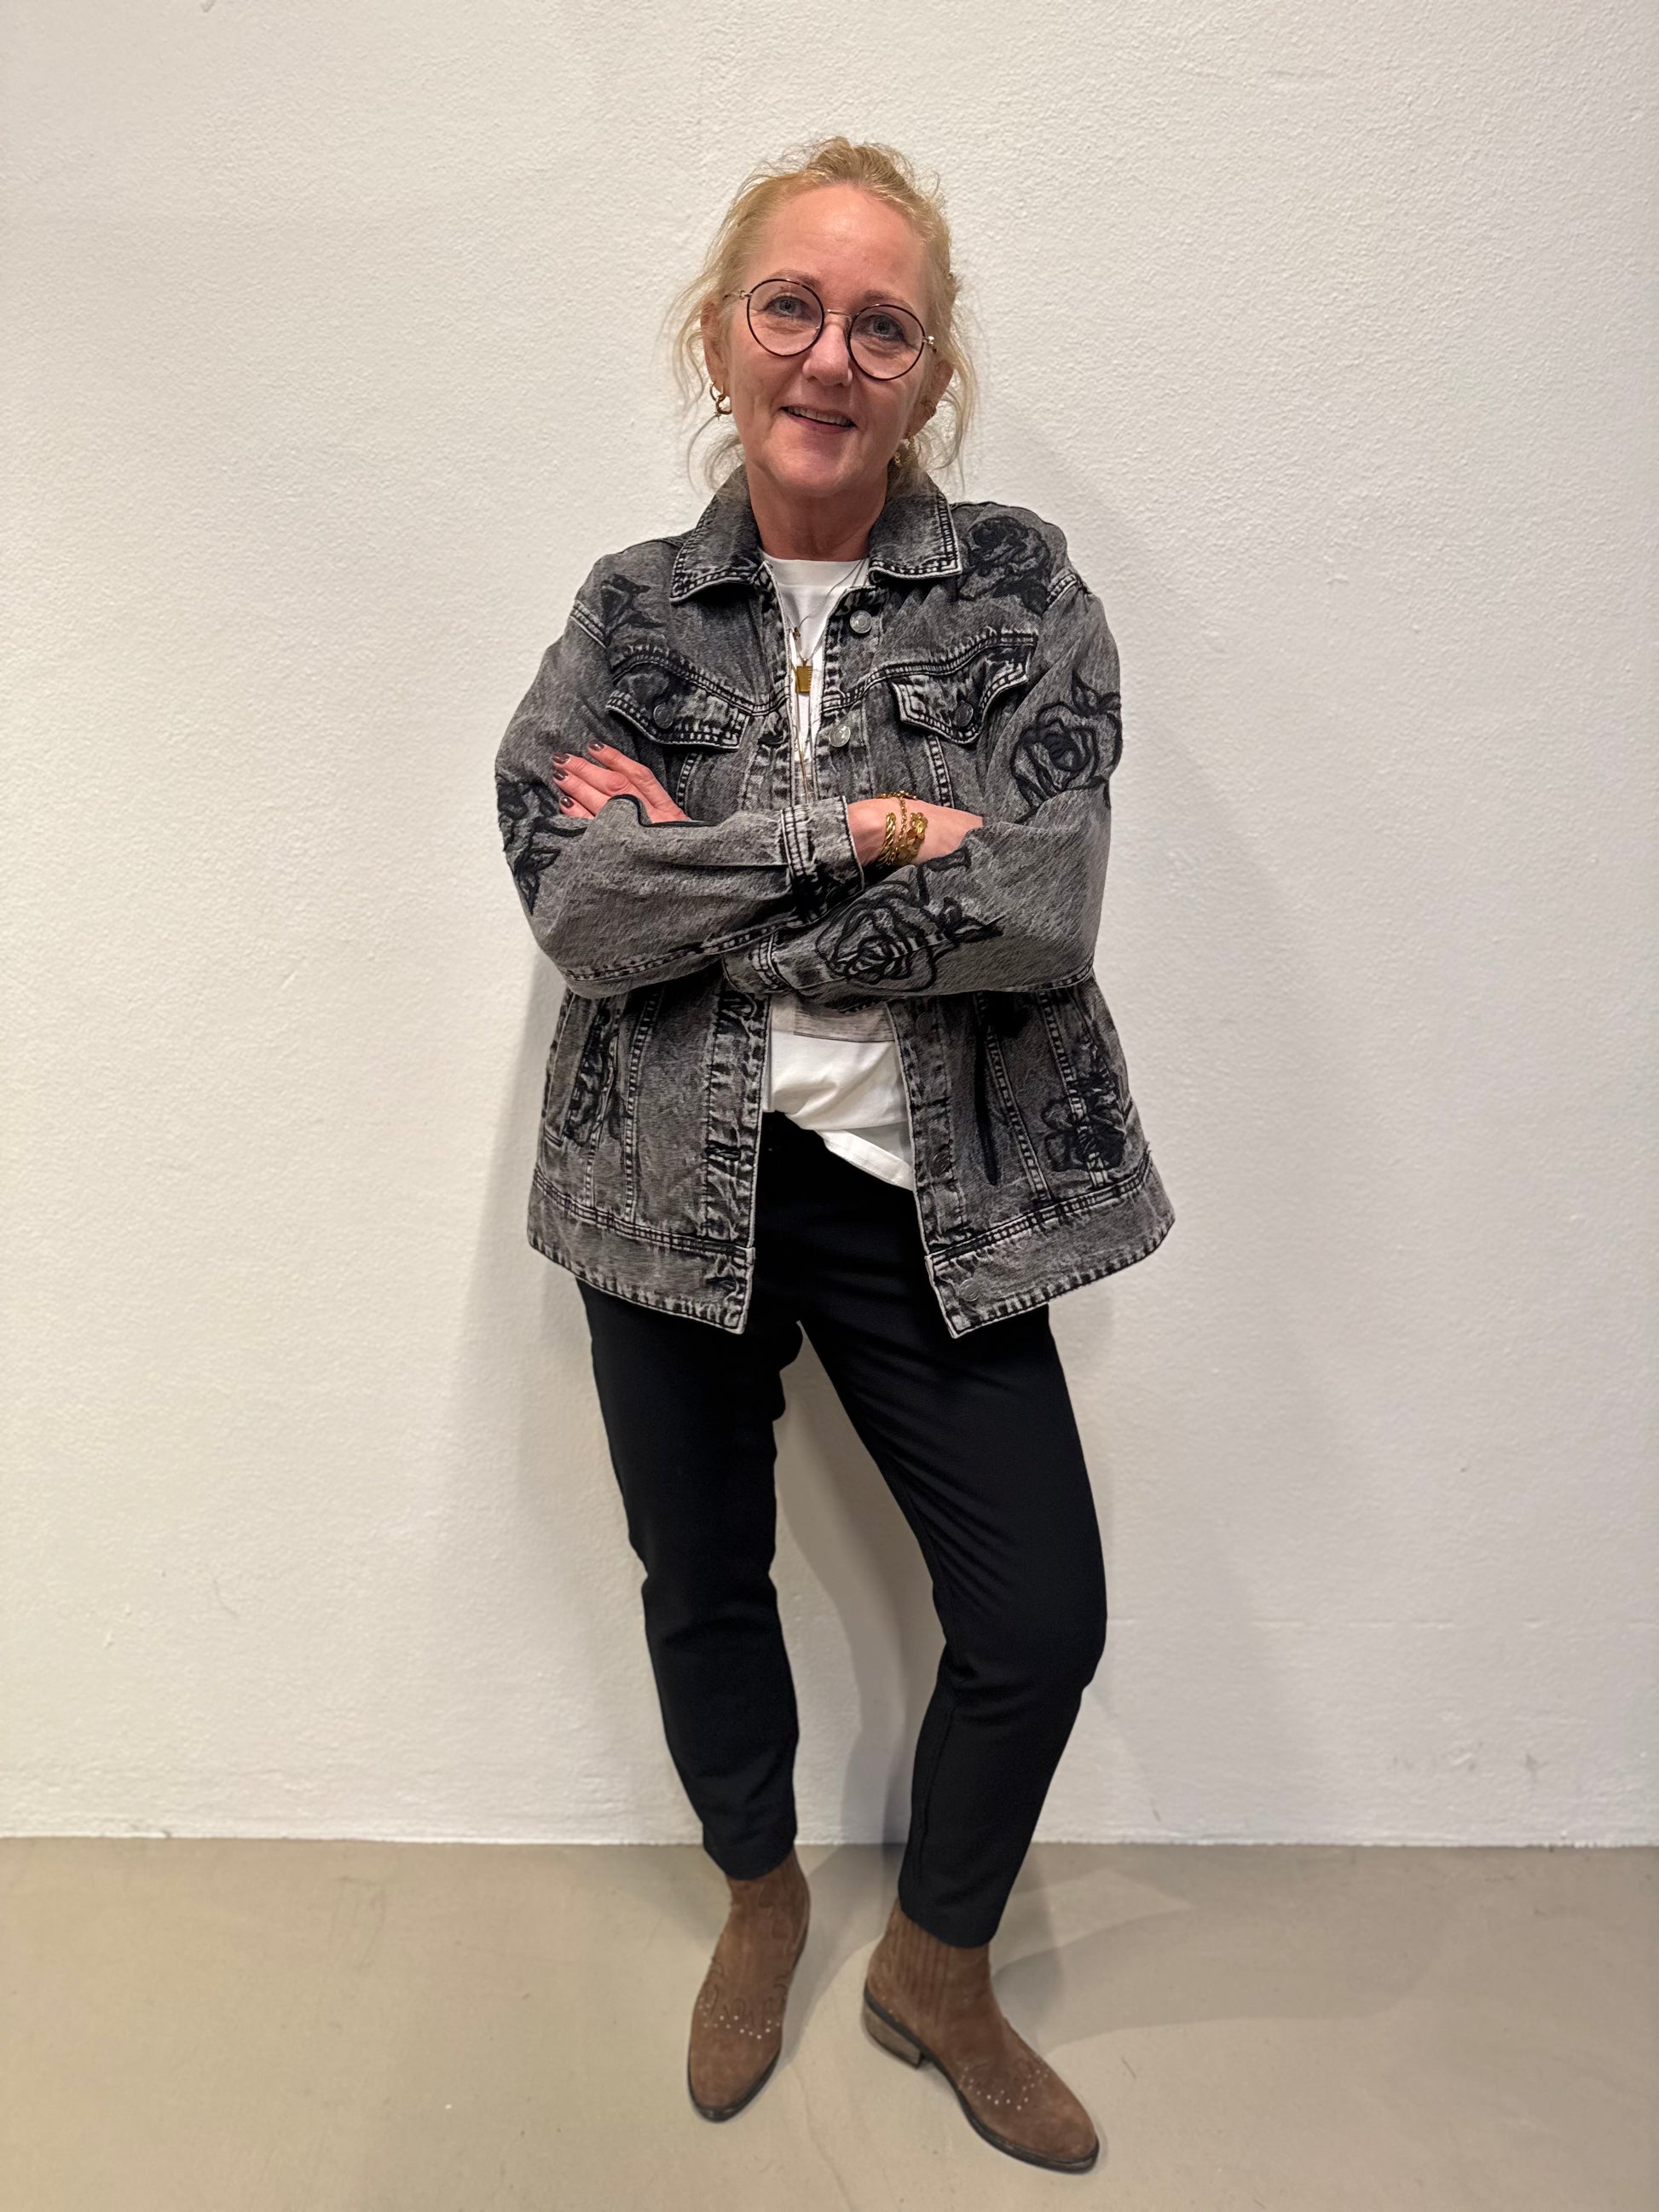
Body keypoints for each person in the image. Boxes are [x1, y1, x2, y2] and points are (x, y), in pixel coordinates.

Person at [494, 136, 1174, 2173]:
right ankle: (761, 1893)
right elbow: (576, 905)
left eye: (883, 325)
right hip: (662, 1192)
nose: (829, 355)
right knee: (699, 1578)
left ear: (928, 370)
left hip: (927, 1192)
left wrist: (700, 873)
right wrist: (862, 830)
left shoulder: (1020, 589)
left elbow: (1039, 904)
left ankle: (937, 1960)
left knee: (1037, 1617)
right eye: (790, 306)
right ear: (721, 335)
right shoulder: (628, 612)